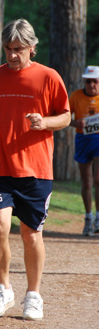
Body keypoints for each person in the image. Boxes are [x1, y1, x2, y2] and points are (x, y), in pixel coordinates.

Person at [0, 19, 70, 321]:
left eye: (18, 49)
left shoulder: (48, 77)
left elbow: (66, 116)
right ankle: (3, 288)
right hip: (0, 167)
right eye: (8, 48)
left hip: (36, 169)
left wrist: (46, 122)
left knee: (31, 235)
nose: (12, 54)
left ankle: (33, 295)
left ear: (32, 48)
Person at [69, 65, 99, 237]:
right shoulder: (75, 96)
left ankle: (98, 217)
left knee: (98, 179)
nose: (92, 85)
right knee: (86, 182)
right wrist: (76, 123)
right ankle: (88, 218)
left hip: (98, 139)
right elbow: (65, 117)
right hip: (82, 139)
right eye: (88, 81)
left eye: (95, 81)